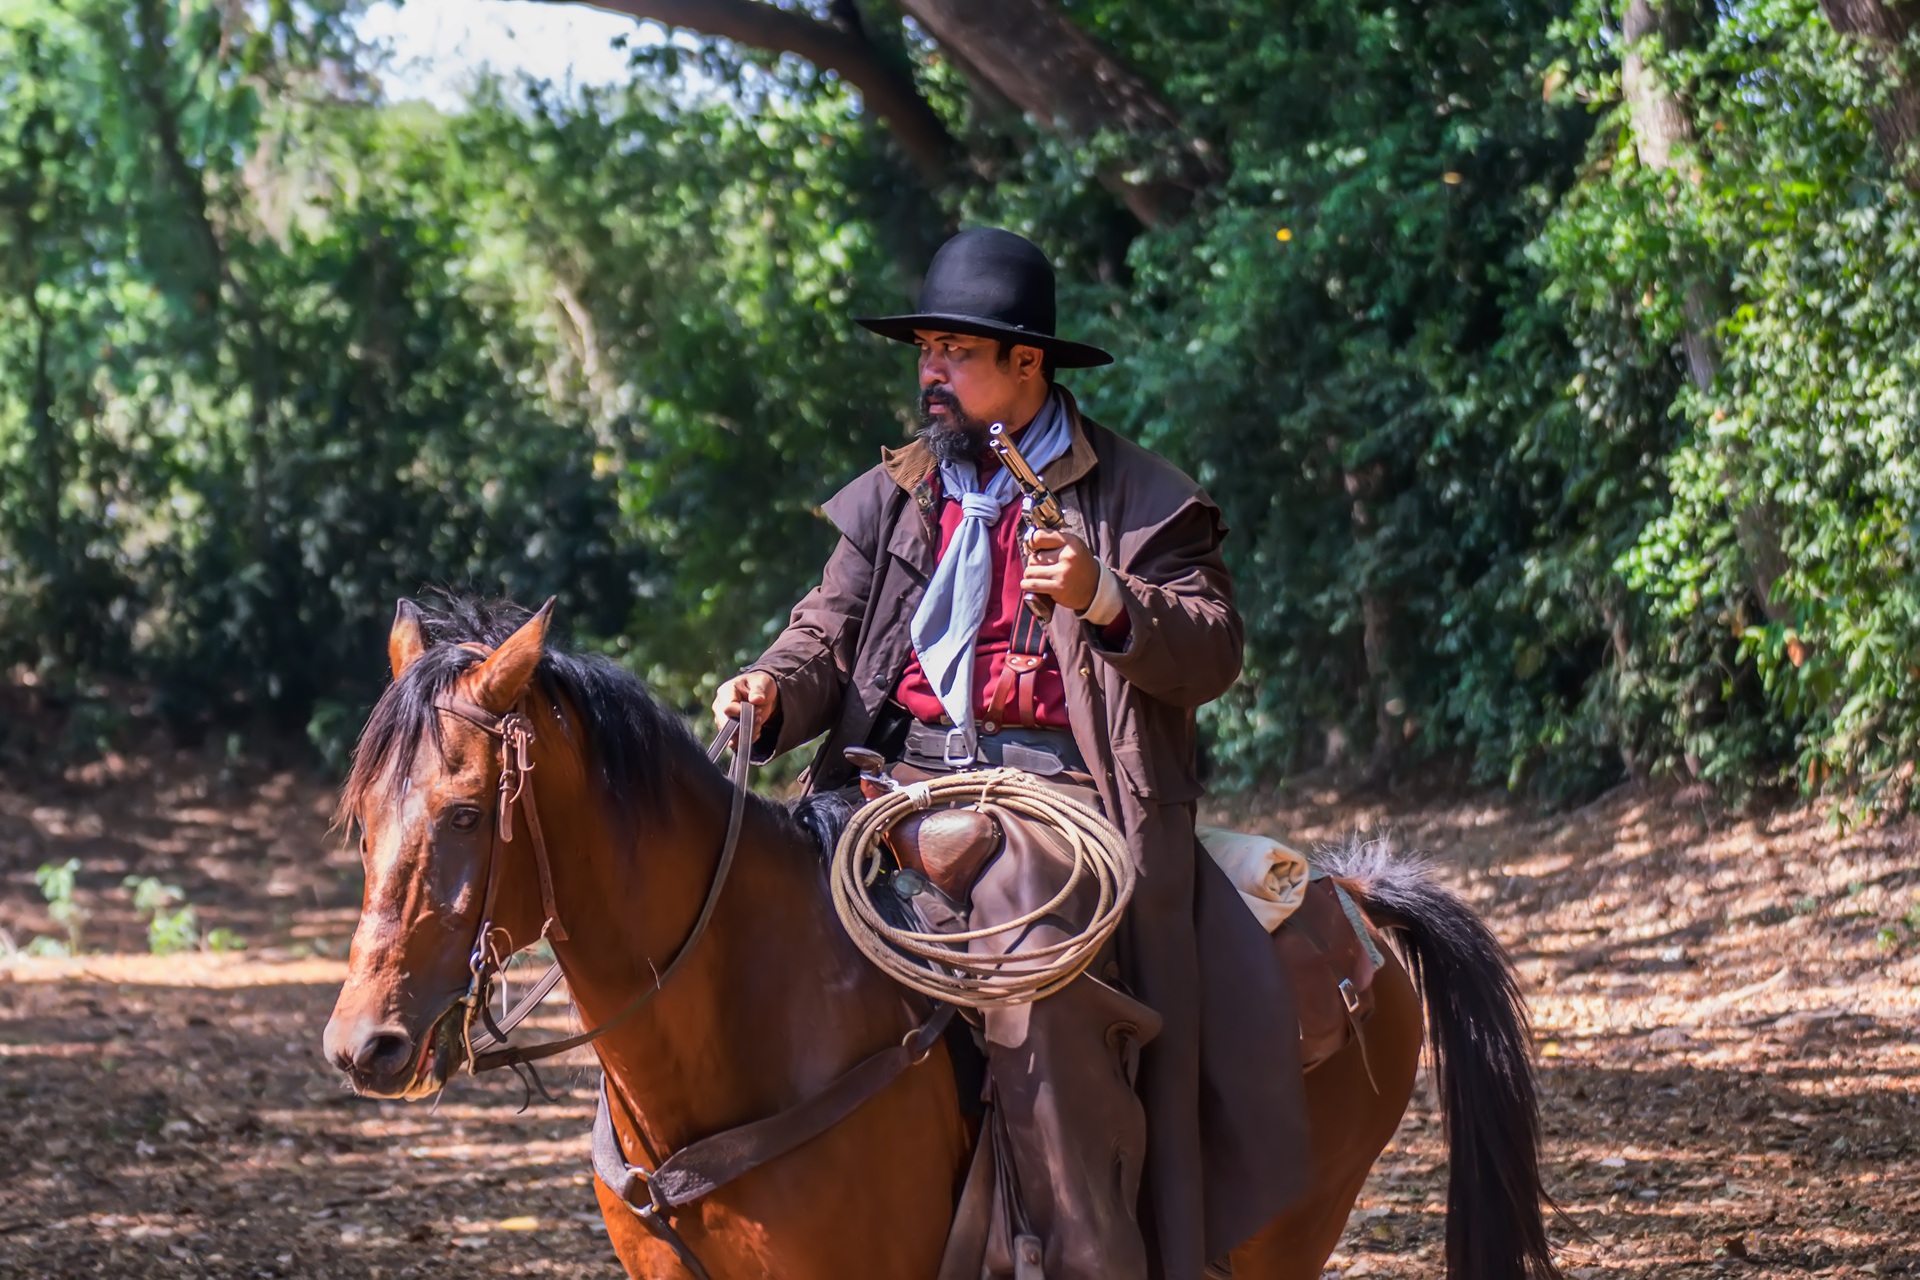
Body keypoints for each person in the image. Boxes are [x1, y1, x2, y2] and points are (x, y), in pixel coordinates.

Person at [710, 228, 1306, 1280]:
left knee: (1029, 933)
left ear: (1027, 362)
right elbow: (825, 633)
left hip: (1058, 795)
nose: (930, 370)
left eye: (955, 350)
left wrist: (1104, 596)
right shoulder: (899, 488)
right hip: (885, 781)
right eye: (924, 348)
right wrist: (767, 689)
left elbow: (1212, 648)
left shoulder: (1141, 495)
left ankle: (1084, 1255)